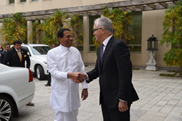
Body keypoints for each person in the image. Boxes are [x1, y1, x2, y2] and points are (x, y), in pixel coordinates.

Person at [80, 17, 139, 121]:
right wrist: (85, 76)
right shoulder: (100, 48)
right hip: (106, 98)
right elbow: (98, 70)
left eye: (94, 30)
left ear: (102, 30)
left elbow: (125, 74)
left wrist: (123, 98)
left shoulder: (118, 45)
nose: (93, 33)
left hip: (118, 99)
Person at [47, 28, 88, 121]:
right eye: (68, 36)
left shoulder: (75, 51)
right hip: (60, 93)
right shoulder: (52, 53)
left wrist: (85, 87)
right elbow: (53, 72)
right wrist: (69, 75)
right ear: (60, 39)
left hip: (73, 92)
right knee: (60, 117)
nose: (71, 38)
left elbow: (81, 69)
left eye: (71, 36)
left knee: (73, 115)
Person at [2, 40, 35, 106]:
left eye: (19, 45)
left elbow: (28, 60)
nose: (18, 46)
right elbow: (4, 62)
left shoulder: (24, 51)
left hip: (22, 72)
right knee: (16, 87)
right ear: (14, 45)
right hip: (14, 72)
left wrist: (27, 68)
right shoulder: (10, 52)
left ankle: (28, 101)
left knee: (25, 86)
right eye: (17, 45)